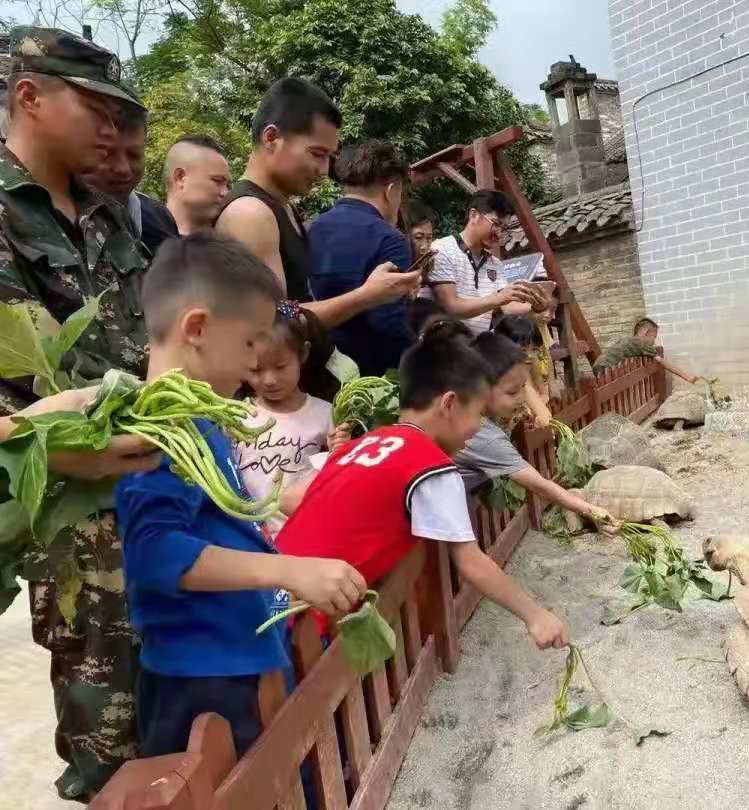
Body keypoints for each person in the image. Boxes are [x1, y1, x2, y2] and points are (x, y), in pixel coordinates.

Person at [114, 233, 366, 760]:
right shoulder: (160, 425)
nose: (257, 364)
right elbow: (154, 551)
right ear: (198, 329)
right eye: (251, 342)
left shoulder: (203, 417)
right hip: (203, 676)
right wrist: (287, 572)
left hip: (235, 656)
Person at [0, 26, 161, 801]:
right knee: (112, 723)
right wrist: (42, 442)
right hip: (72, 520)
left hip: (153, 482)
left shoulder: (106, 215)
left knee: (180, 690)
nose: (111, 128)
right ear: (28, 97)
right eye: (94, 106)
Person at [275, 320, 570, 649]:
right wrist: (535, 615)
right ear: (449, 404)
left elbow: (289, 499)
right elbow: (471, 562)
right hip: (303, 612)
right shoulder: (432, 465)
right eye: (477, 413)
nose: (477, 427)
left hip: (274, 581)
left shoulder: (370, 440)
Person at [216, 78, 418, 328]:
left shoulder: (283, 207)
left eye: (329, 157)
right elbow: (275, 318)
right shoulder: (249, 213)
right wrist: (366, 295)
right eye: (317, 154)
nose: (324, 170)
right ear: (271, 138)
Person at [455, 327, 615, 529]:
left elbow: (524, 386)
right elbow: (540, 486)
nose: (522, 398)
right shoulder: (484, 437)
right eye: (513, 392)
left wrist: (538, 408)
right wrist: (591, 510)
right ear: (479, 388)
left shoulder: (466, 410)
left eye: (523, 387)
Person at [235, 301, 350, 539]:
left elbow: (337, 479)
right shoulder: (236, 415)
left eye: (280, 367)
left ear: (303, 354)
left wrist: (340, 451)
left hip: (303, 536)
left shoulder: (325, 413)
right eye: (256, 370)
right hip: (249, 539)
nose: (269, 380)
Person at [307, 140, 415, 375]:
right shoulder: (389, 238)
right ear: (391, 190)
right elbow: (390, 323)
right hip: (371, 379)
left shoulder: (312, 228)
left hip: (316, 368)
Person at [423, 190, 548, 334]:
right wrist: (499, 298)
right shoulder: (442, 250)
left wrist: (535, 305)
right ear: (474, 215)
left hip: (479, 348)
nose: (499, 234)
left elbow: (505, 306)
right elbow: (452, 306)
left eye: (504, 228)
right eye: (495, 224)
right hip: (445, 349)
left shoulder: (494, 263)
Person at [138, 135, 234, 254]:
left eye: (227, 185)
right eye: (217, 181)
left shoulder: (230, 246)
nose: (225, 192)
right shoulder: (139, 238)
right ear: (180, 178)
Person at [79, 102, 147, 238]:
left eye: (134, 155)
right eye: (106, 155)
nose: (123, 169)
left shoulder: (159, 220)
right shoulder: (53, 223)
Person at [593, 317, 701, 383]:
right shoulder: (641, 343)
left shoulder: (630, 341)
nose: (654, 342)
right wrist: (686, 376)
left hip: (599, 364)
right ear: (645, 332)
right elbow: (663, 362)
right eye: (653, 337)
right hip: (606, 367)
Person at [492, 315, 553, 429]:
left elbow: (544, 416)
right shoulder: (494, 376)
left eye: (534, 350)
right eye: (523, 350)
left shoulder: (519, 376)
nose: (530, 356)